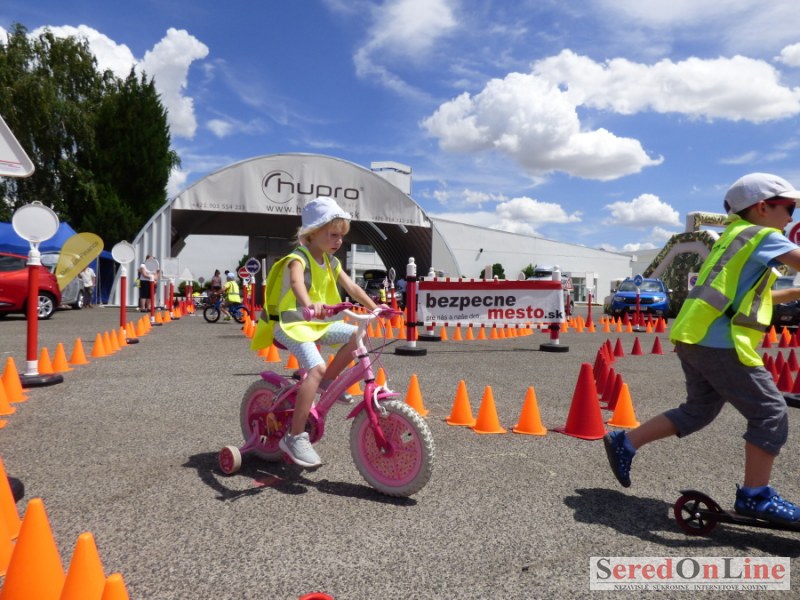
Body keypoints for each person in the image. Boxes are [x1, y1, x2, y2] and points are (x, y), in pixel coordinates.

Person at [604, 172, 800, 525]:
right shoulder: (762, 235)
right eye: (789, 208)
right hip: (719, 342)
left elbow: (759, 297)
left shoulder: (734, 238)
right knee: (770, 413)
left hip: (695, 336)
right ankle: (755, 496)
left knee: (698, 410)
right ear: (762, 207)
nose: (791, 217)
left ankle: (625, 442)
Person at [273, 196, 380, 468]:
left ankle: (326, 382)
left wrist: (377, 307)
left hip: (318, 324)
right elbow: (296, 283)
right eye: (333, 235)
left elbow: (352, 288)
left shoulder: (332, 262)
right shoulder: (298, 258)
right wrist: (310, 304)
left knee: (357, 335)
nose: (339, 241)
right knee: (316, 367)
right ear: (312, 233)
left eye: (341, 236)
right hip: (293, 324)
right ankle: (295, 436)